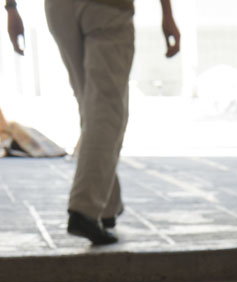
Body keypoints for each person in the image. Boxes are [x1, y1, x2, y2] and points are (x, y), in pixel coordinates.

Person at [6, 0, 180, 245]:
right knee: (106, 109)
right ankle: (85, 210)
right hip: (106, 7)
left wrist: (11, 8)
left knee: (92, 107)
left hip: (60, 8)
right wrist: (167, 14)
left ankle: (107, 204)